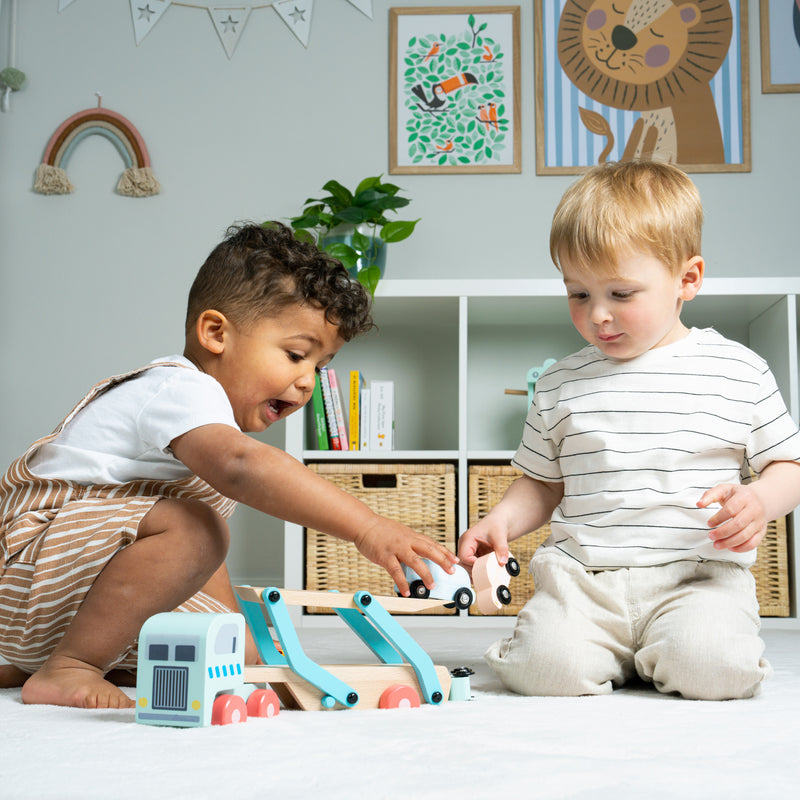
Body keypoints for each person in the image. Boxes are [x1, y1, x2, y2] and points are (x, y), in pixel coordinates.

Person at [0, 222, 457, 710]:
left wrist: (254, 656)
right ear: (216, 333)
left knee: (213, 630)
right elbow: (240, 471)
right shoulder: (180, 390)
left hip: (56, 592)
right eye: (296, 355)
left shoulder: (202, 434)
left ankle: (31, 658)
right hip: (28, 561)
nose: (306, 382)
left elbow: (199, 560)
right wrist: (367, 526)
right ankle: (71, 666)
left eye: (319, 368)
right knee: (197, 526)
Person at [458, 161, 800, 700]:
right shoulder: (558, 382)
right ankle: (617, 649)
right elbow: (544, 484)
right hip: (584, 580)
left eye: (621, 294)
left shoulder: (738, 369)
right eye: (578, 294)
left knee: (713, 669)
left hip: (697, 577)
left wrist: (759, 500)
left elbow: (788, 466)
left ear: (687, 279)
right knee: (543, 670)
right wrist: (501, 519)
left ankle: (670, 646)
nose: (598, 315)